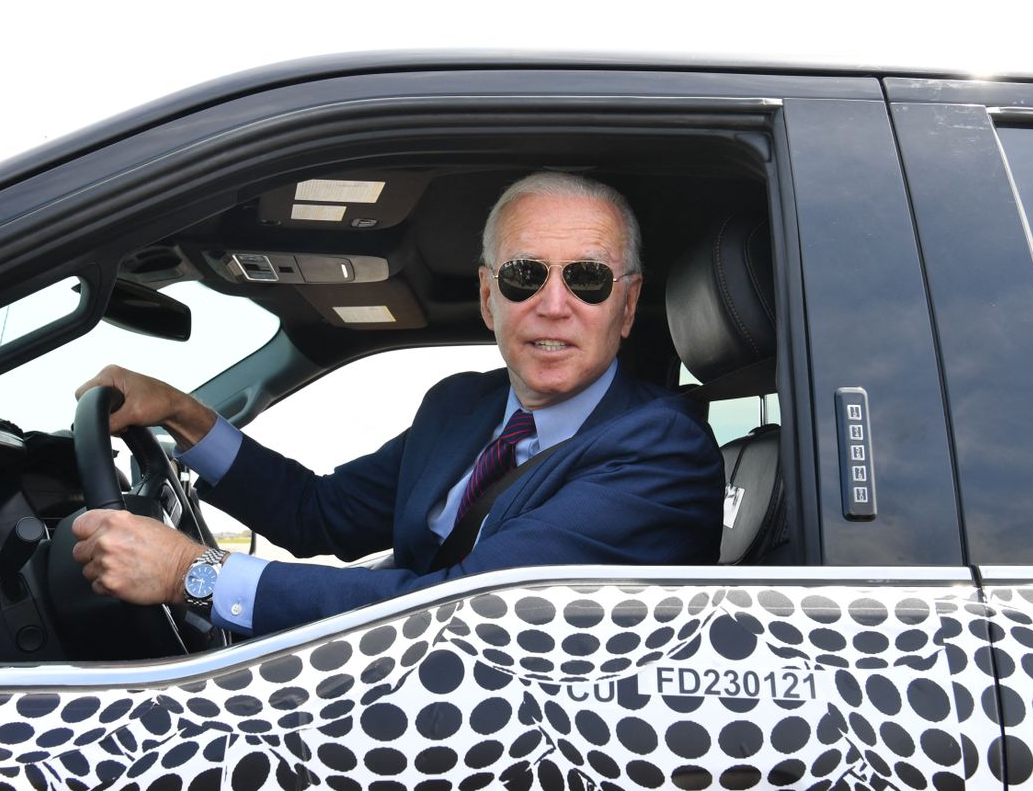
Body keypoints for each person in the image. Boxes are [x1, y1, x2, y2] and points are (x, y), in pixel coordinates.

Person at [72, 173, 724, 636]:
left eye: (587, 277)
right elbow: (317, 514)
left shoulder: (664, 451)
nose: (554, 304)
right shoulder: (461, 407)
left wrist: (195, 572)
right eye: (525, 275)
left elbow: (461, 612)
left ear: (628, 304)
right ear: (489, 297)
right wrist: (181, 411)